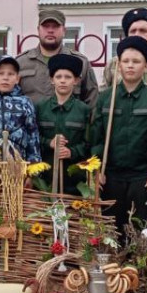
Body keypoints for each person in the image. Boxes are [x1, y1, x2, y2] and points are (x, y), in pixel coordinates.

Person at [91, 37, 147, 239]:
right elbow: (96, 136)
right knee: (111, 227)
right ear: (118, 65)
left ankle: (137, 267)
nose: (130, 66)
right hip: (111, 174)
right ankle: (113, 266)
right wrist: (97, 169)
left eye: (136, 62)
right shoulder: (106, 98)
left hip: (141, 176)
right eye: (125, 61)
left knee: (138, 226)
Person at [16, 9, 98, 107]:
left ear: (64, 31)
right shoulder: (21, 62)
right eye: (46, 26)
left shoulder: (81, 63)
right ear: (38, 30)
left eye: (55, 26)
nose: (50, 30)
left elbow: (93, 101)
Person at [35, 53, 91, 195]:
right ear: (51, 80)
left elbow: (90, 142)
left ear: (76, 80)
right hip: (45, 176)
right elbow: (33, 138)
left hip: (74, 178)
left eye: (68, 77)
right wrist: (49, 143)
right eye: (58, 77)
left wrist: (72, 152)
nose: (63, 81)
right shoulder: (40, 108)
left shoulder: (84, 110)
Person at [102, 8, 147, 94]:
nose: (137, 35)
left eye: (143, 31)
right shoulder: (115, 63)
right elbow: (103, 95)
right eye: (133, 31)